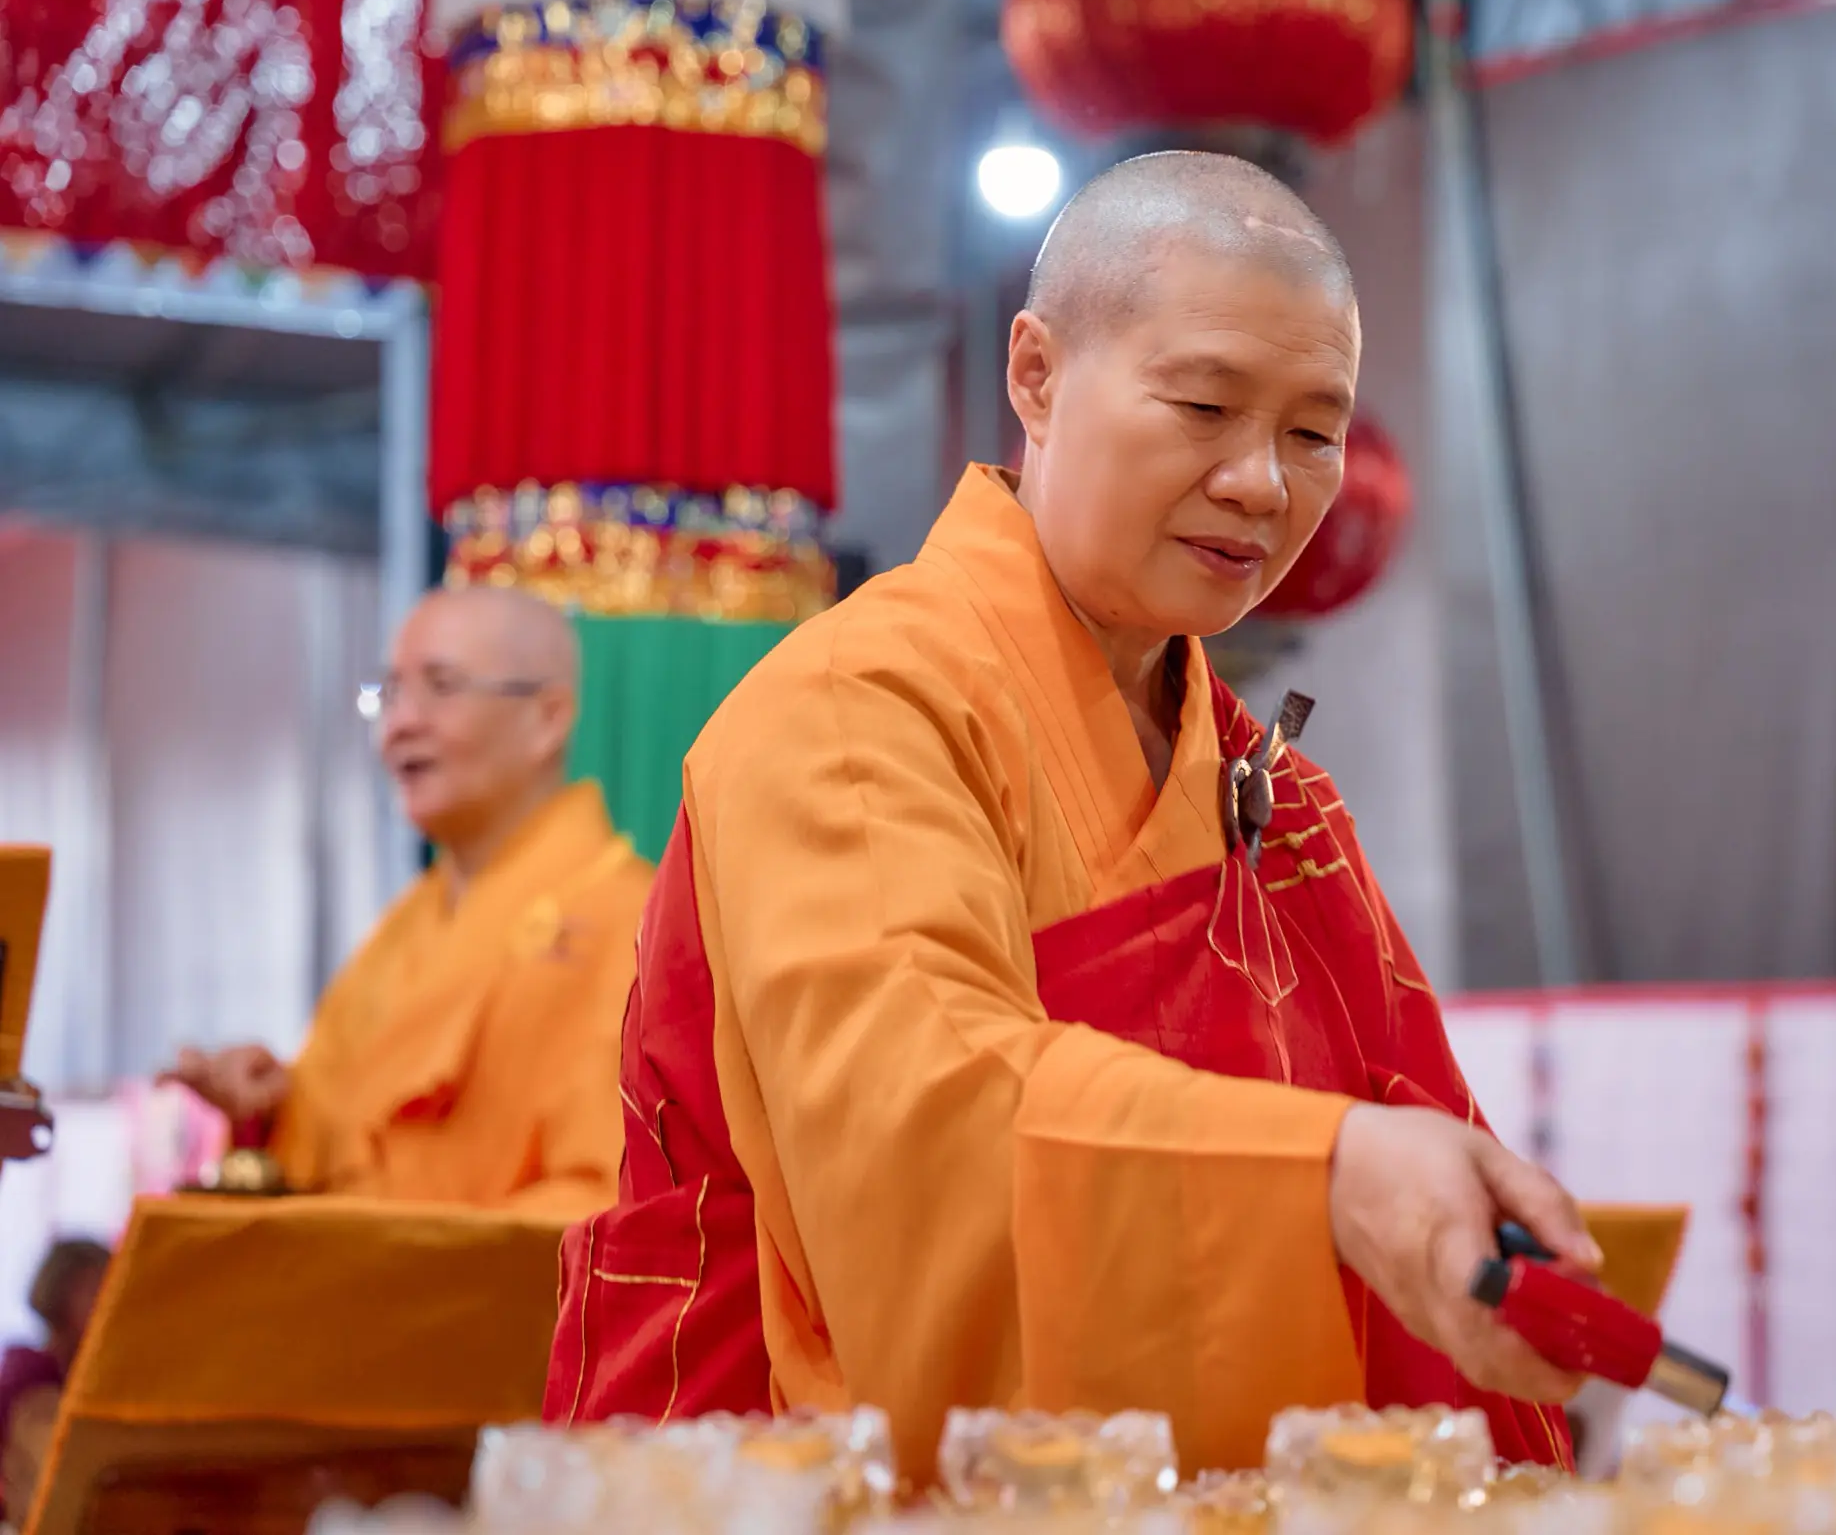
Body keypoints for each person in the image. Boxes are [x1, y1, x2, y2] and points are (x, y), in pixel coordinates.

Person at [546, 152, 1595, 1484]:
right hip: (795, 1480)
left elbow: (1406, 1106)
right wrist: (1323, 1179)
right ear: (1035, 375)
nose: (1264, 484)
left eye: (1313, 432)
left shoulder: (1275, 791)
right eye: (1206, 404)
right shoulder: (852, 708)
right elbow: (927, 1134)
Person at [164, 588, 649, 1216]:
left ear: (547, 718)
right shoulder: (406, 926)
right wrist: (275, 1111)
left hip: (490, 1308)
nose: (399, 725)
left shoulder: (625, 923)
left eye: (441, 687)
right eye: (389, 694)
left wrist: (399, 1267)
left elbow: (607, 1201)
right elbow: (342, 1160)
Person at [1, 1238, 109, 1524]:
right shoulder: (29, 1378)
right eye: (95, 1288)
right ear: (59, 1292)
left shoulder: (87, 1377)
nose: (107, 1301)